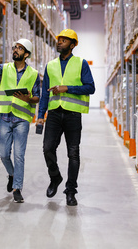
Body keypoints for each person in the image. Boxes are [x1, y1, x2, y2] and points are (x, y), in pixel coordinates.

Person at [36, 29, 95, 206]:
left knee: (73, 153)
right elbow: (45, 93)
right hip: (54, 114)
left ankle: (71, 191)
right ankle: (55, 177)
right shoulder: (50, 65)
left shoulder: (81, 63)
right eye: (59, 39)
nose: (59, 42)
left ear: (73, 44)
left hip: (72, 115)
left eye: (64, 40)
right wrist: (41, 115)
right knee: (47, 148)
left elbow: (90, 87)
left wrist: (67, 88)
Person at [0, 38, 40, 203]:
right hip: (5, 117)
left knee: (19, 155)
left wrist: (29, 98)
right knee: (3, 154)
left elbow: (37, 97)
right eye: (15, 47)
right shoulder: (5, 68)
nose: (16, 50)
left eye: (20, 48)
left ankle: (17, 188)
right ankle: (12, 174)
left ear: (26, 54)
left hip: (22, 119)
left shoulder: (33, 74)